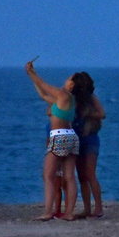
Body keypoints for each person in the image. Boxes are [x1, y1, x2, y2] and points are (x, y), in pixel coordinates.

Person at [24, 58, 79, 220]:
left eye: (69, 79)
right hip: (71, 137)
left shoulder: (63, 95)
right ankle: (68, 213)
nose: (66, 80)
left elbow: (44, 85)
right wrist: (32, 75)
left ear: (72, 85)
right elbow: (42, 94)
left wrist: (31, 73)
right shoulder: (66, 100)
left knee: (48, 175)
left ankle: (48, 212)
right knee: (69, 177)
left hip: (59, 137)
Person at [69, 71, 106, 218]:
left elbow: (102, 114)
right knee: (82, 176)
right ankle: (87, 208)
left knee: (90, 174)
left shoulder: (91, 99)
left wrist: (87, 114)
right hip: (77, 139)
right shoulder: (72, 99)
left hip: (89, 138)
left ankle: (98, 208)